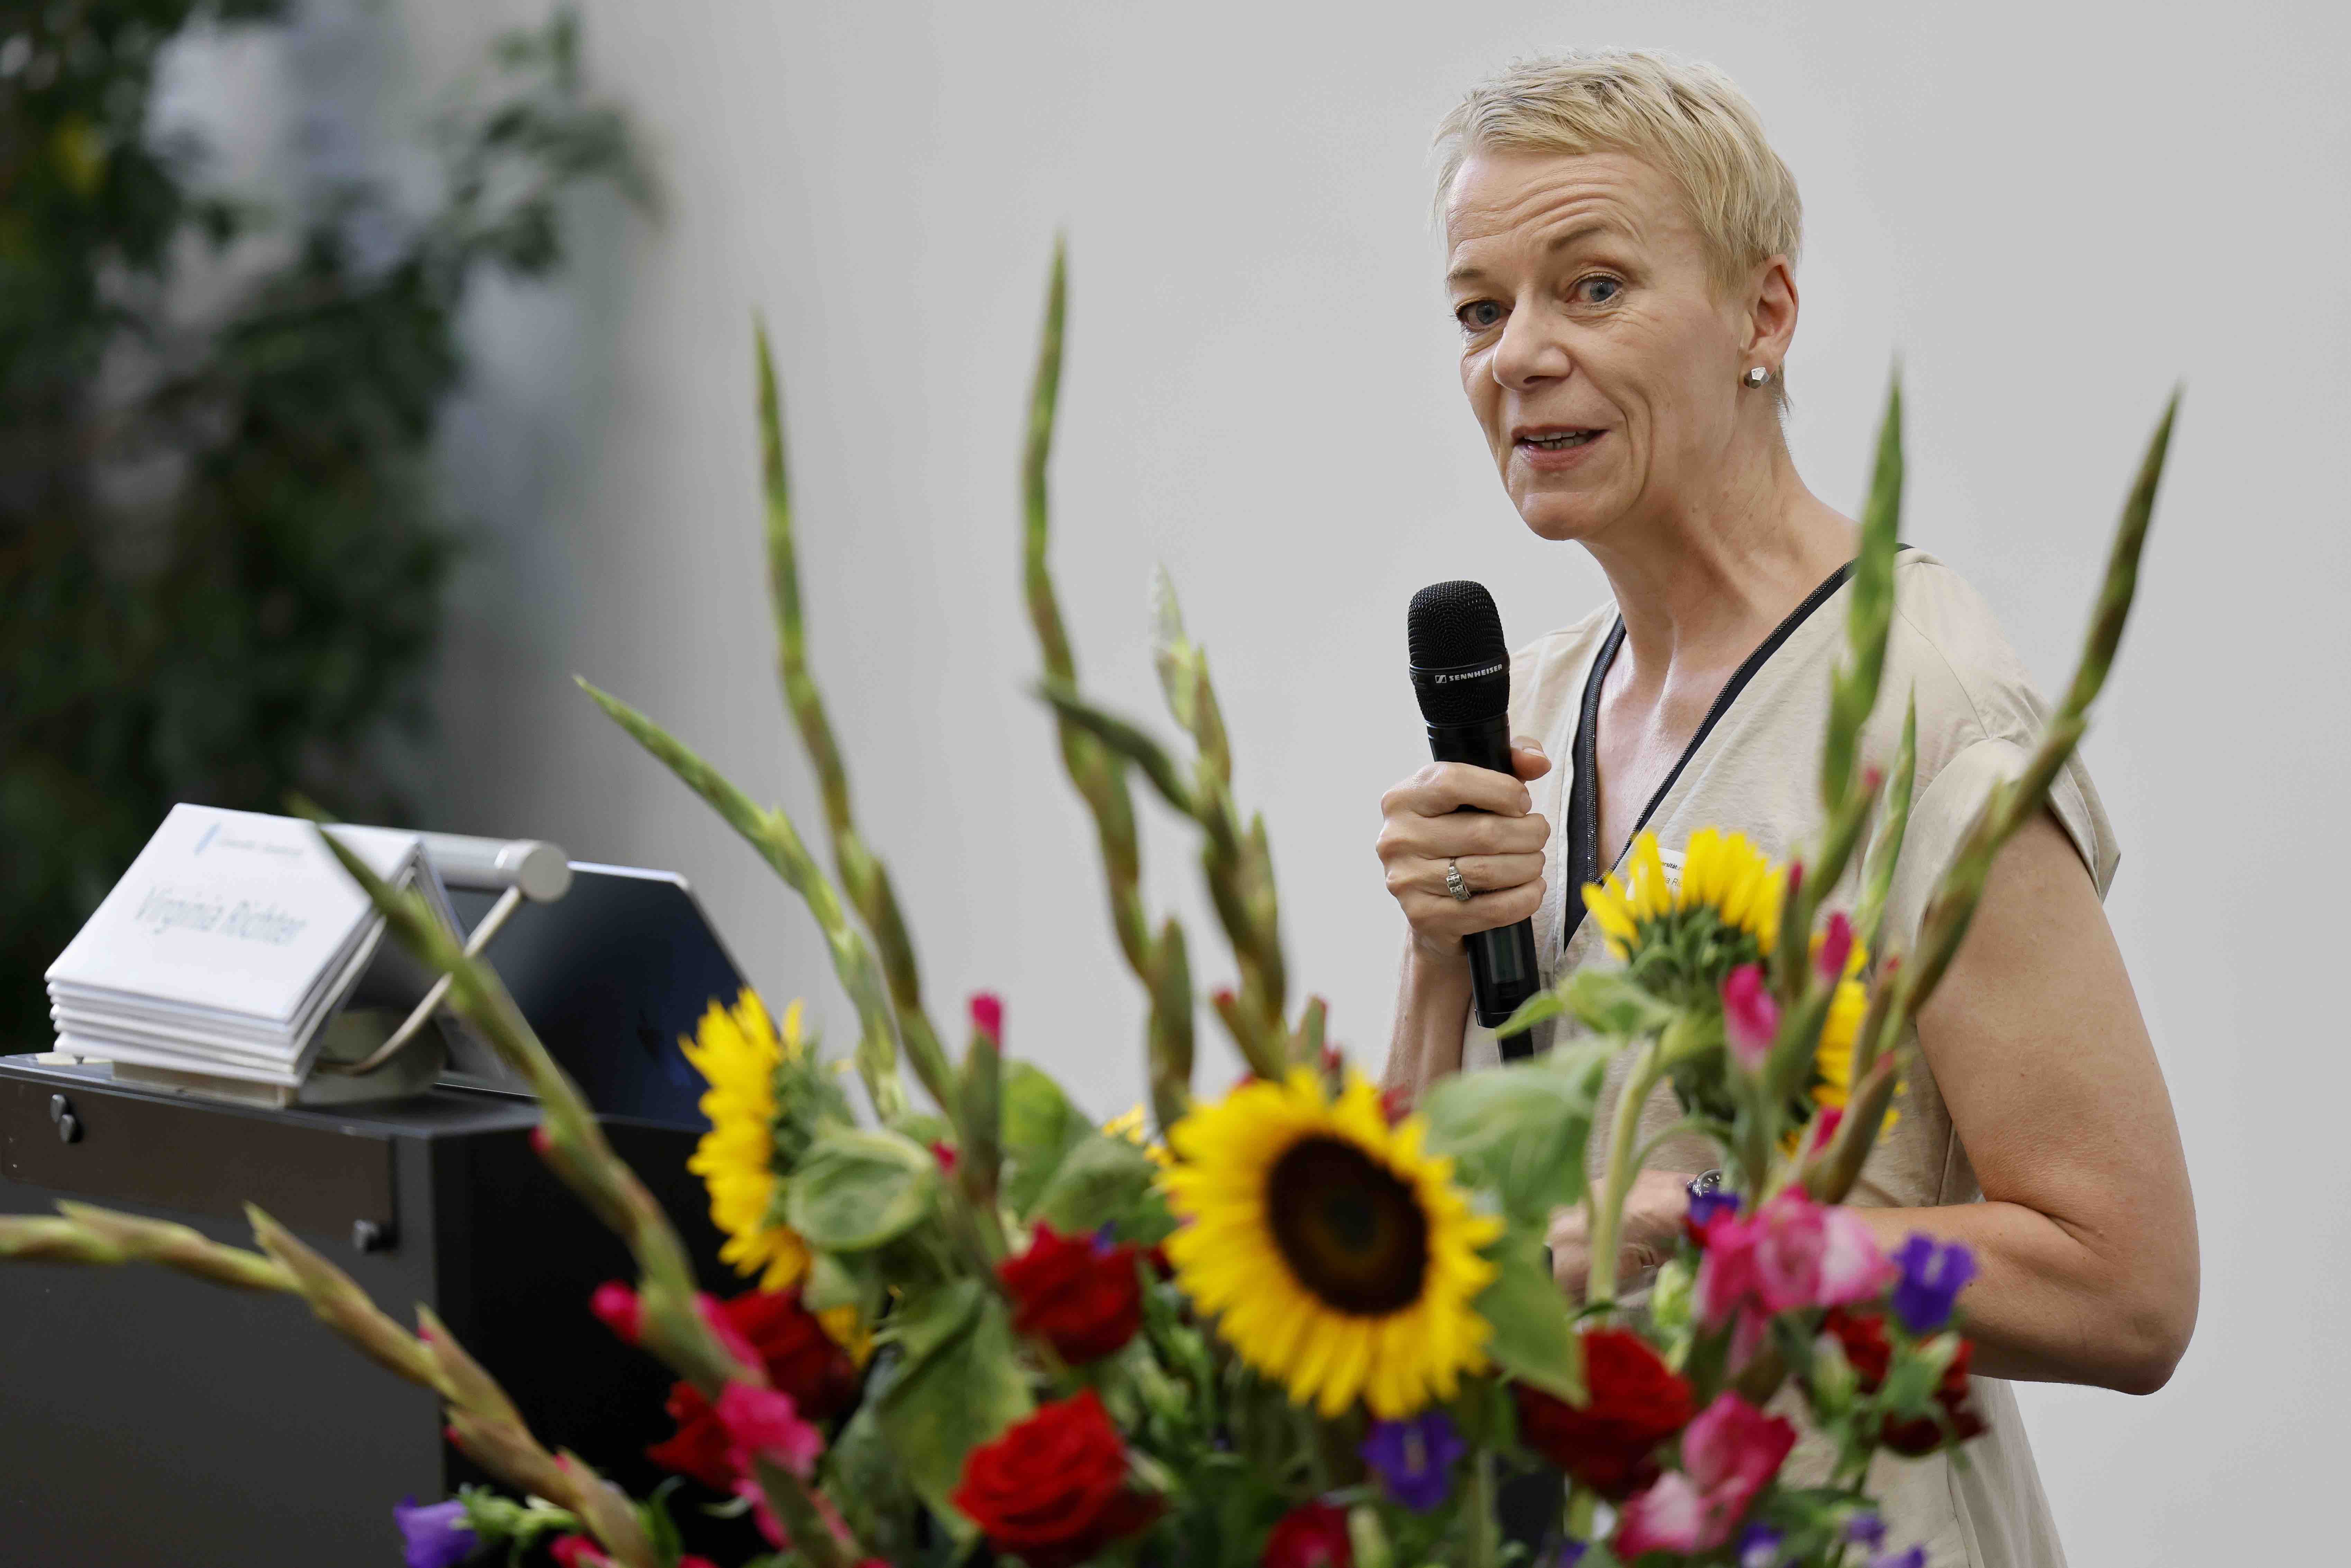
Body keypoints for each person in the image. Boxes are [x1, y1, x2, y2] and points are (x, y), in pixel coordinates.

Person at [1377, 51, 2197, 1568]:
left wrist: (1692, 1233)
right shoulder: (1536, 709)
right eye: (1480, 309)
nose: (1518, 356)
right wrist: (1436, 955)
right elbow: (1432, 1240)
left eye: (1594, 286)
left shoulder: (1923, 707)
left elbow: (2122, 1284)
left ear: (1763, 316)